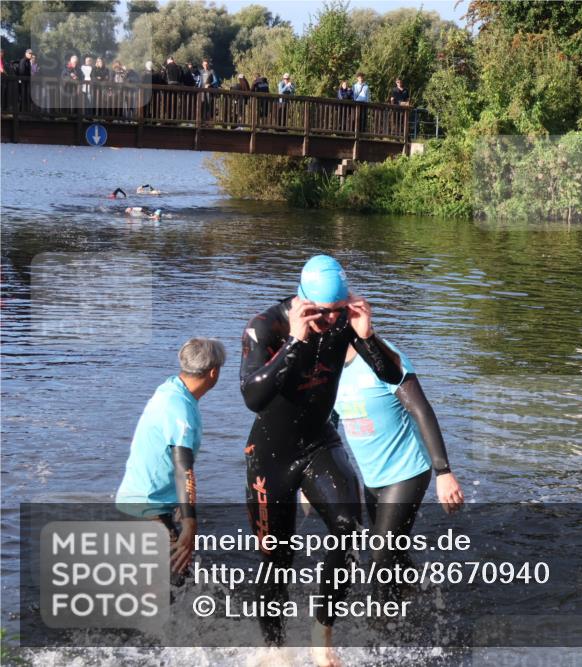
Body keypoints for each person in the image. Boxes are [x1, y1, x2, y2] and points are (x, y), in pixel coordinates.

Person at [240, 255, 403, 661]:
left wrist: (368, 336)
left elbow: (393, 374)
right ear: (303, 302)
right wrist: (295, 341)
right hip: (271, 456)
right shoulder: (266, 327)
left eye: (338, 311)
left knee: (349, 525)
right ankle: (276, 651)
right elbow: (252, 396)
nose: (332, 321)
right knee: (277, 559)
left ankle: (321, 631)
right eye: (323, 313)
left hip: (317, 443)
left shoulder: (346, 322)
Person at [332, 338, 464, 602]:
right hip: (372, 476)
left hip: (408, 469)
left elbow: (421, 409)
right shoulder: (327, 367)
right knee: (394, 550)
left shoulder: (383, 358)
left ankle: (382, 629)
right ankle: (419, 593)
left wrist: (444, 473)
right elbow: (328, 422)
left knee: (381, 554)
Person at [115, 338, 225, 580]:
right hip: (146, 505)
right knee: (174, 579)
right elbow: (182, 467)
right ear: (214, 372)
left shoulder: (171, 388)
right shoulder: (180, 408)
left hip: (142, 501)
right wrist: (189, 523)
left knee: (167, 579)